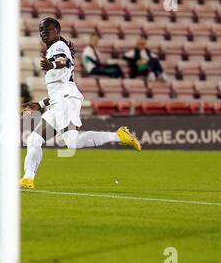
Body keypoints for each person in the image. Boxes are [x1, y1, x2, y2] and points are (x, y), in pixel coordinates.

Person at [20, 17, 142, 189]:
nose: (42, 33)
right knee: (34, 138)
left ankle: (119, 136)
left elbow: (62, 61)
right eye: (40, 30)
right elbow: (60, 88)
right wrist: (39, 105)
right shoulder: (53, 49)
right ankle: (27, 179)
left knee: (73, 143)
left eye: (45, 29)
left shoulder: (58, 47)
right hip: (59, 101)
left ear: (56, 30)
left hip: (65, 101)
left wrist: (52, 65)